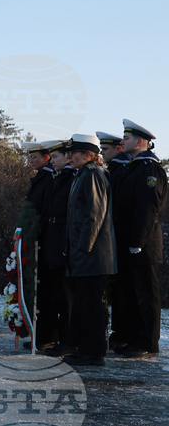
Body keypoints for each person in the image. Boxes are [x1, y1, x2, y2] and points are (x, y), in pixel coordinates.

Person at [110, 119, 165, 359]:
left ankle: (148, 342)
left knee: (146, 295)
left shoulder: (149, 169)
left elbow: (148, 209)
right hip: (127, 241)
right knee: (129, 294)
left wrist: (137, 242)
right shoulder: (133, 167)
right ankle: (132, 338)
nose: (122, 142)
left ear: (140, 142)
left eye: (127, 138)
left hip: (142, 242)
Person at [62, 134, 116, 367]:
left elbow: (94, 215)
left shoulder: (92, 175)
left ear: (87, 155)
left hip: (91, 254)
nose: (68, 156)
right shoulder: (83, 174)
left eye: (73, 153)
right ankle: (87, 348)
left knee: (91, 304)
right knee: (85, 302)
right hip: (85, 253)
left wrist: (83, 249)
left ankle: (93, 353)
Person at [38, 140, 74, 356]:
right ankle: (60, 338)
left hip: (63, 242)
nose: (52, 161)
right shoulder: (58, 178)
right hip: (54, 240)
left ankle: (68, 340)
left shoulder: (72, 179)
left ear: (67, 157)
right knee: (58, 294)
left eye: (56, 157)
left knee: (67, 296)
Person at [98, 129, 132, 352]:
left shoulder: (121, 170)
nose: (102, 152)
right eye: (100, 149)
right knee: (116, 291)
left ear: (118, 149)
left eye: (106, 149)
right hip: (113, 237)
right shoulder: (112, 169)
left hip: (120, 236)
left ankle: (123, 335)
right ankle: (118, 333)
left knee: (123, 291)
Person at [21, 141, 53, 217]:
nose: (30, 161)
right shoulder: (40, 177)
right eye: (29, 158)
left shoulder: (51, 177)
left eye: (34, 157)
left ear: (46, 157)